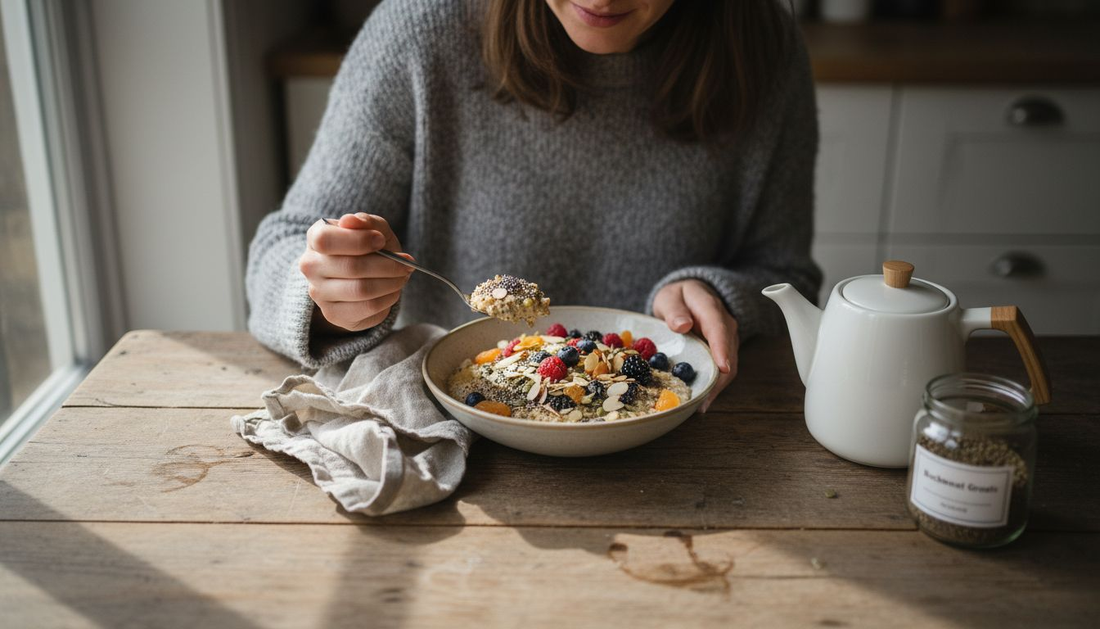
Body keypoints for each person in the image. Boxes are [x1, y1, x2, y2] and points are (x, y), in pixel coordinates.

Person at [246, 0, 822, 412]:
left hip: (682, 452)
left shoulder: (762, 45)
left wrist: (720, 297)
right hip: (449, 433)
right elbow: (280, 252)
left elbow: (787, 278)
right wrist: (327, 293)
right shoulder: (421, 27)